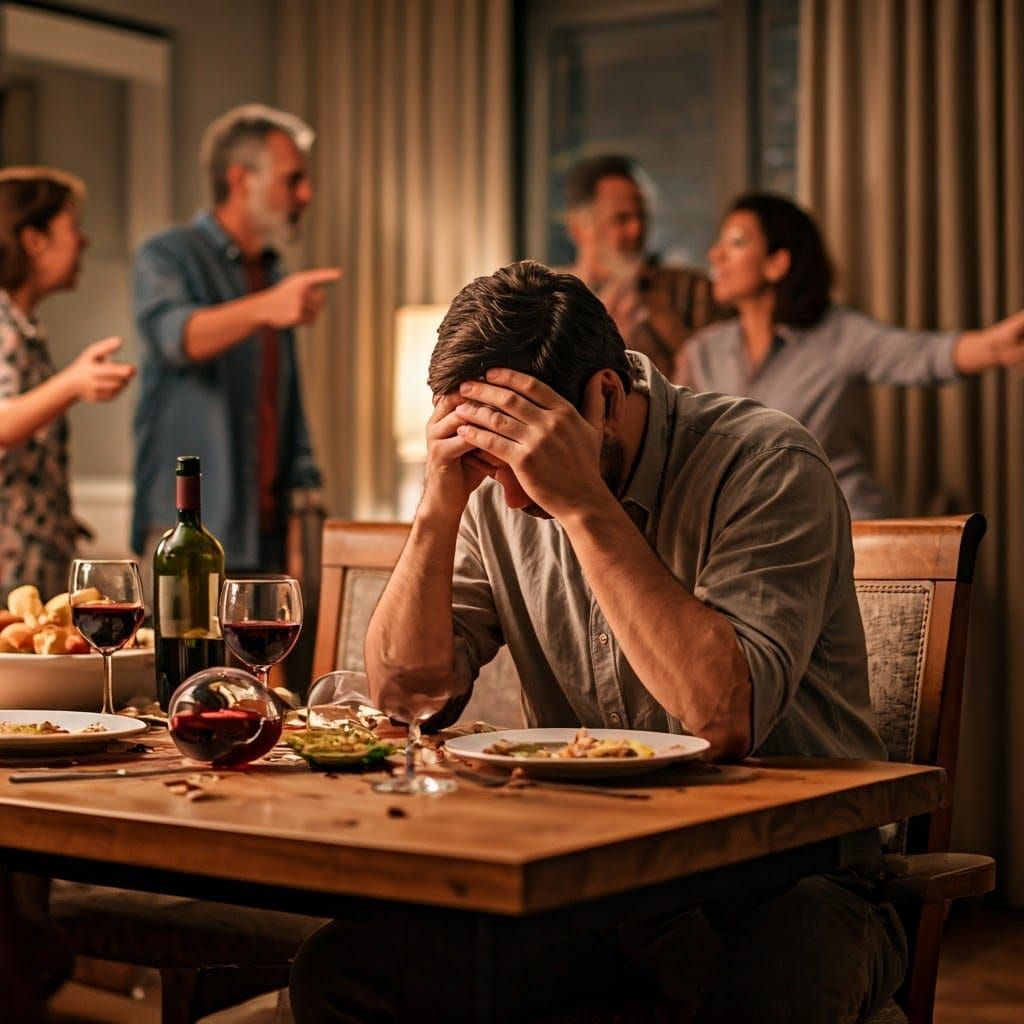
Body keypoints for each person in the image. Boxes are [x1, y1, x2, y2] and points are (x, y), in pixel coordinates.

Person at [290, 261, 905, 1024]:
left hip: (783, 882)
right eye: (486, 455)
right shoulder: (489, 500)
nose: (512, 492)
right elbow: (406, 697)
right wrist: (438, 507)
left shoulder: (766, 463)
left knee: (773, 986)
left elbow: (722, 718)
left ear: (606, 396)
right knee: (345, 970)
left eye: (521, 453)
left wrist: (580, 501)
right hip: (592, 887)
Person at [677, 191, 1024, 519]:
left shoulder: (838, 334)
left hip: (847, 529)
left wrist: (997, 345)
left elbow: (921, 355)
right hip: (750, 534)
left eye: (736, 242)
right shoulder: (702, 352)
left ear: (776, 263)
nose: (715, 255)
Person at [132, 104, 340, 574]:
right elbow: (176, 337)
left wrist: (304, 488)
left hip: (264, 535)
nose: (306, 194)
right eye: (293, 179)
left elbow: (281, 402)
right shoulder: (166, 254)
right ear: (242, 179)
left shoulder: (270, 272)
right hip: (185, 536)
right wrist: (267, 306)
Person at [0, 166, 135, 602]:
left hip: (33, 563)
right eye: (72, 227)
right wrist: (73, 383)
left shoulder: (22, 328)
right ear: (33, 239)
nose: (83, 240)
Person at [561, 153, 723, 379]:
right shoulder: (550, 297)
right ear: (579, 227)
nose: (637, 230)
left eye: (641, 217)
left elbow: (722, 379)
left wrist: (663, 319)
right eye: (621, 219)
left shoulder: (693, 289)